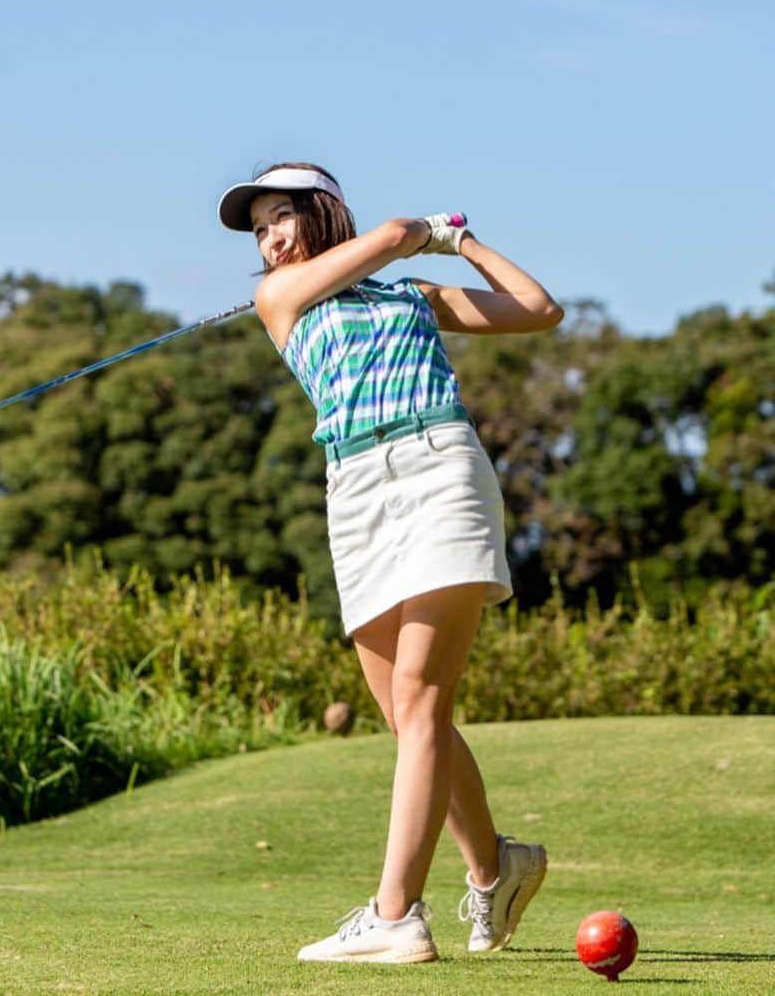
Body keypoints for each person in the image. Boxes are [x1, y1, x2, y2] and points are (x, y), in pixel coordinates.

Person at [217, 163, 562, 965]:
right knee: (410, 719)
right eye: (258, 228)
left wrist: (464, 244)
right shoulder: (283, 299)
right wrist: (416, 235)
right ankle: (497, 866)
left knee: (421, 698)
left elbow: (541, 311)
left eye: (279, 218)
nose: (268, 238)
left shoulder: (412, 299)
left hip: (439, 467)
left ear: (321, 211)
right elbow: (397, 235)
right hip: (355, 491)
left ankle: (396, 914)